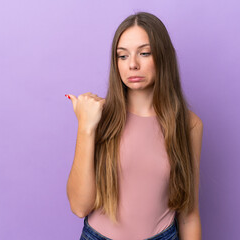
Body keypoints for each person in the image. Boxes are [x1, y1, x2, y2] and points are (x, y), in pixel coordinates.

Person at [65, 11, 203, 240]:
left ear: (163, 57)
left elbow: (189, 214)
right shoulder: (99, 116)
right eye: (122, 56)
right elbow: (79, 207)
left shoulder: (189, 125)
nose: (133, 65)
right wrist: (86, 128)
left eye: (144, 53)